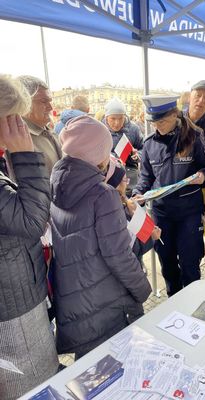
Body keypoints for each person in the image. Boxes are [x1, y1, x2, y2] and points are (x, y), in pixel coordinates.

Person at [50, 115, 151, 359]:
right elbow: (118, 255)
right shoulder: (102, 194)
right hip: (108, 303)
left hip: (79, 300)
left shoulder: (57, 182)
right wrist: (143, 290)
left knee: (92, 373)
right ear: (97, 153)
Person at [0, 75, 58, 399]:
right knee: (35, 386)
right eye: (14, 119)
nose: (19, 127)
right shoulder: (17, 149)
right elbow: (32, 220)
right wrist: (24, 155)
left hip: (17, 293)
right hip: (12, 309)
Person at [133, 95, 205, 297]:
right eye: (154, 122)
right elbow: (146, 177)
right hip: (162, 212)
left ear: (175, 114)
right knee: (167, 262)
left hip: (189, 212)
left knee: (189, 262)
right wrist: (138, 193)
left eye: (163, 121)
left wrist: (203, 175)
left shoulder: (193, 136)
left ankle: (193, 302)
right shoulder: (149, 143)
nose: (158, 126)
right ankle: (173, 302)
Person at [107, 160, 161, 267]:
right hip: (128, 269)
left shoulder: (121, 203)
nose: (127, 183)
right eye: (125, 180)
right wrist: (151, 237)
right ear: (117, 184)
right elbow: (131, 249)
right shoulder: (117, 210)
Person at [17, 75, 62, 174]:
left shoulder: (49, 131)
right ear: (24, 103)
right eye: (43, 101)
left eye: (50, 101)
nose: (50, 107)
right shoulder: (18, 139)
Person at [103, 97, 144, 196]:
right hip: (108, 178)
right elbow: (95, 153)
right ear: (106, 117)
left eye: (121, 118)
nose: (117, 123)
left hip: (131, 178)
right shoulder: (100, 130)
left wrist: (137, 154)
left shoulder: (133, 129)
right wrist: (113, 159)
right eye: (113, 118)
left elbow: (144, 148)